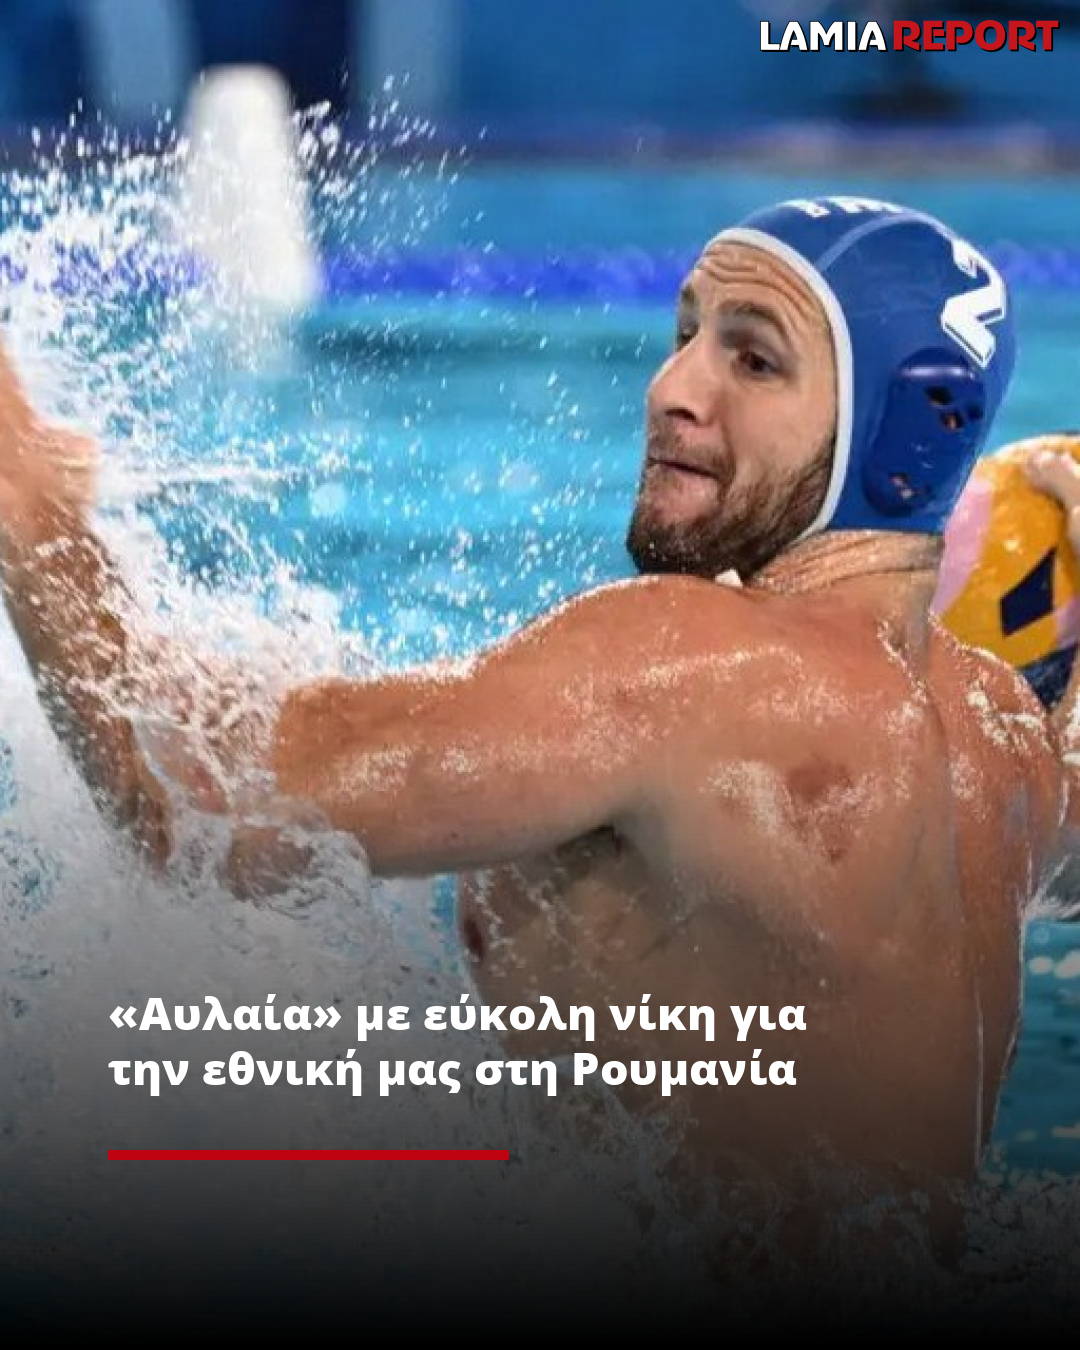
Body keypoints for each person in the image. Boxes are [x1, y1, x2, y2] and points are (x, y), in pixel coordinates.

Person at [0, 196, 1074, 1269]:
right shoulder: (1005, 744)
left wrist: (29, 502)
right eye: (687, 333)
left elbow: (195, 796)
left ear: (903, 437)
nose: (673, 388)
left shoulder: (688, 664)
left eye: (753, 361)